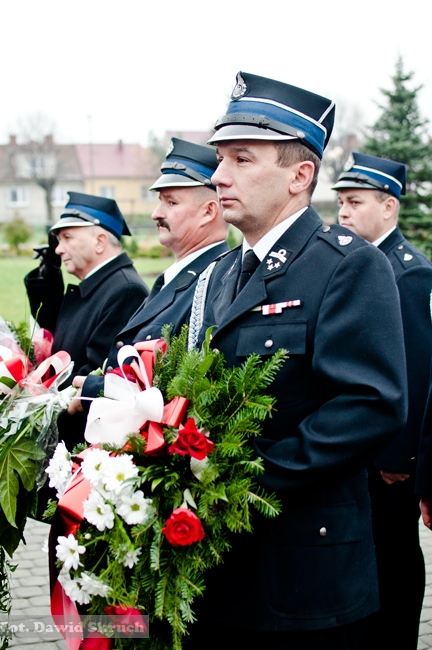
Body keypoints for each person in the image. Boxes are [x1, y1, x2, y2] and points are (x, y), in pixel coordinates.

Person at [186, 72, 408, 650]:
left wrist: (242, 478)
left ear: (300, 175)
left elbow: (370, 405)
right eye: (220, 158)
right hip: (216, 568)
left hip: (305, 579)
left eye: (241, 159)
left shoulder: (347, 265)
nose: (218, 176)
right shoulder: (221, 273)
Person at [333, 152, 432, 649]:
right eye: (341, 202)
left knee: (393, 560)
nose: (343, 212)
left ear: (388, 206)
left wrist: (400, 457)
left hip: (387, 461)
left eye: (355, 202)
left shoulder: (407, 272)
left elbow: (416, 370)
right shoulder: (356, 262)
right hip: (360, 452)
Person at [69, 138, 229, 407]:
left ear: (208, 211)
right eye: (159, 202)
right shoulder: (180, 276)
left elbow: (188, 386)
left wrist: (99, 389)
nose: (156, 214)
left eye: (171, 202)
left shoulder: (216, 281)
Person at [25, 191, 149, 450]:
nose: (58, 249)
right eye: (58, 240)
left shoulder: (125, 290)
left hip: (83, 442)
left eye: (67, 238)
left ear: (100, 241)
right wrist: (48, 277)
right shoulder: (98, 286)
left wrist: (32, 398)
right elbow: (55, 333)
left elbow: (96, 373)